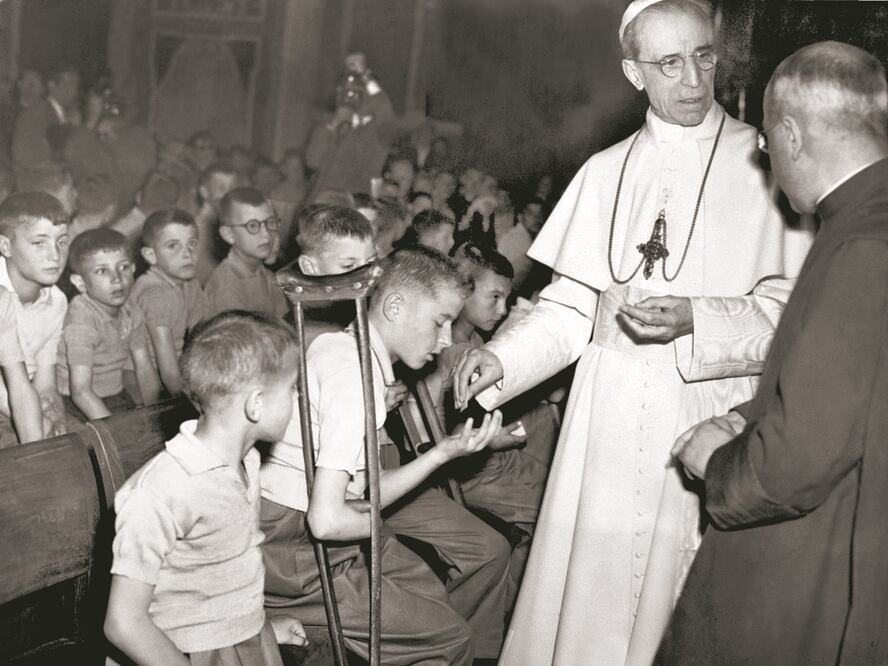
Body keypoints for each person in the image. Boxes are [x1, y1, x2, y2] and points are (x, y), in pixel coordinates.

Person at [453, 1, 813, 663]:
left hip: (707, 412)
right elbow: (570, 308)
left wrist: (698, 318)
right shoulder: (604, 171)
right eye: (669, 64)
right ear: (634, 72)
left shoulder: (766, 164)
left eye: (703, 57)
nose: (693, 80)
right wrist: (503, 360)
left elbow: (796, 313)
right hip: (607, 428)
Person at [659, 41, 888, 665]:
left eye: (764, 139)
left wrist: (717, 463)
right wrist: (749, 415)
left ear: (790, 135)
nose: (766, 154)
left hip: (818, 549)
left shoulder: (862, 246)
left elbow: (799, 461)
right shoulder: (865, 220)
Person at [260, 247, 511, 663]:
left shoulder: (347, 351)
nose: (445, 340)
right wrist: (374, 524)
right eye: (439, 322)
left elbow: (366, 489)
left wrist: (442, 453)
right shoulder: (353, 378)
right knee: (452, 639)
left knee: (433, 595)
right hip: (292, 552)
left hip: (305, 531)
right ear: (395, 307)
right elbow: (326, 520)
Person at [104, 311, 308, 665]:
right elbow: (124, 623)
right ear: (256, 404)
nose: (300, 397)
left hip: (238, 640)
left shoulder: (247, 462)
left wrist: (260, 630)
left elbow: (217, 576)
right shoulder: (164, 490)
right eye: (292, 388)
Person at [427, 242, 558, 608]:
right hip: (468, 473)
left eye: (506, 300)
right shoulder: (441, 352)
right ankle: (508, 615)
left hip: (488, 461)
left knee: (555, 493)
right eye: (494, 297)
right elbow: (432, 436)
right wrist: (491, 441)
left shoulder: (476, 342)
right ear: (464, 290)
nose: (502, 310)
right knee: (548, 518)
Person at [57, 228, 160, 422]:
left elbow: (144, 367)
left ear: (134, 269)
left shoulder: (132, 310)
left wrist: (156, 417)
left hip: (114, 394)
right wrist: (115, 432)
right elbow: (80, 392)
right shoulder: (82, 319)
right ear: (80, 282)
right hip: (73, 404)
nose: (117, 279)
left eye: (123, 267)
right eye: (102, 271)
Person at [0, 192, 70, 443]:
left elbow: (45, 384)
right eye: (39, 243)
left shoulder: (57, 300)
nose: (55, 256)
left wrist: (56, 417)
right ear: (5, 247)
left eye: (62, 241)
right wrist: (41, 425)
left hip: (23, 397)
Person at [130, 209, 209, 396]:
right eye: (173, 246)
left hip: (173, 369)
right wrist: (195, 404)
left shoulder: (189, 283)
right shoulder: (155, 294)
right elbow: (170, 374)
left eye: (192, 244)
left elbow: (204, 335)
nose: (187, 254)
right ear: (151, 255)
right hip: (138, 380)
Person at [304, 52, 395, 200]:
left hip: (354, 203)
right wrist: (334, 124)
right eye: (346, 91)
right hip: (323, 201)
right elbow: (313, 161)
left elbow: (383, 109)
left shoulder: (376, 131)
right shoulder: (328, 127)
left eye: (357, 92)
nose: (350, 96)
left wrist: (365, 75)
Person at [204, 187, 288, 319]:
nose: (266, 234)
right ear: (229, 234)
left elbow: (285, 323)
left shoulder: (266, 276)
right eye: (253, 226)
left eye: (270, 222)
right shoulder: (226, 284)